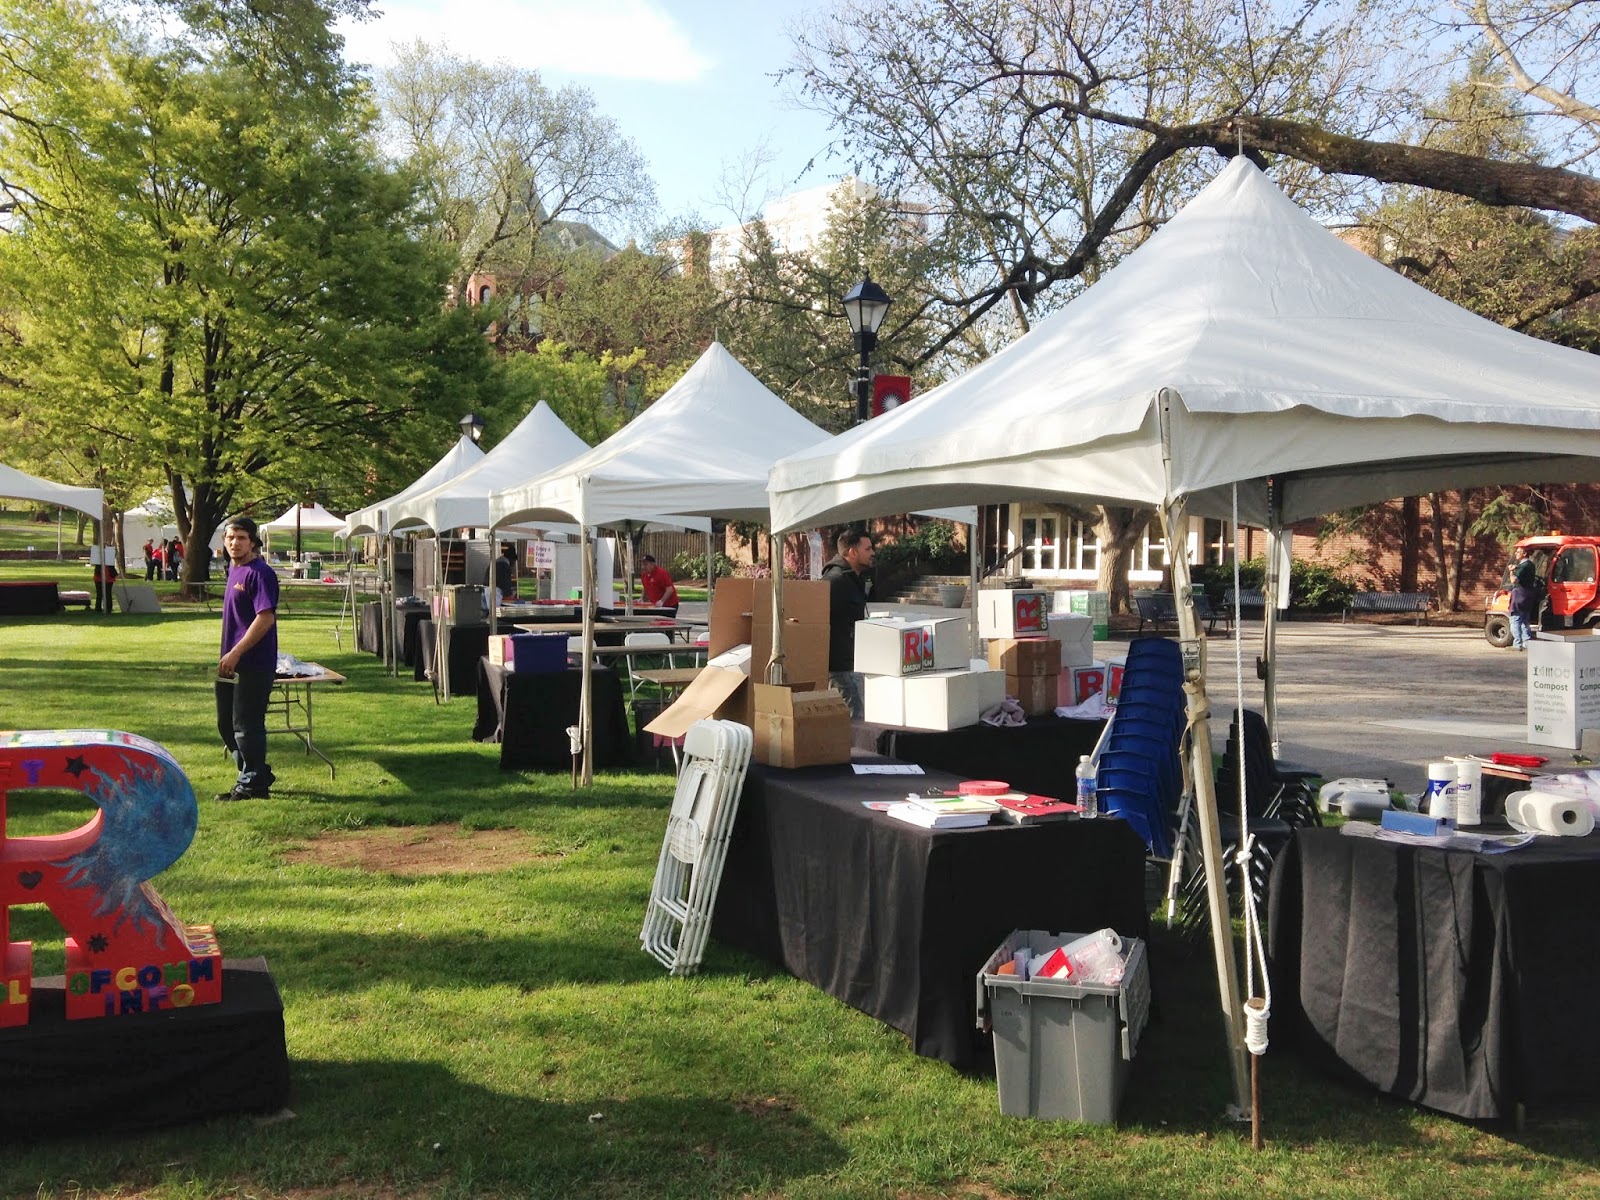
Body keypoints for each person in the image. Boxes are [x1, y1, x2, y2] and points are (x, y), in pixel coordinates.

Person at [215, 516, 279, 800]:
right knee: (225, 724)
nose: (235, 542)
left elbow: (265, 618)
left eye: (241, 538)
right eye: (230, 537)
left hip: (252, 662)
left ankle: (252, 785)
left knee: (246, 724)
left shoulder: (259, 573)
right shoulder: (234, 570)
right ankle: (255, 773)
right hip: (230, 661)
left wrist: (237, 652)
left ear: (252, 541)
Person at [822, 529, 874, 719]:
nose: (873, 553)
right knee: (855, 720)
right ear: (852, 552)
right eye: (867, 549)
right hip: (839, 667)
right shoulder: (835, 580)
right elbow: (818, 622)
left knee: (858, 719)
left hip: (851, 664)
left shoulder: (851, 579)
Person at [1510, 552, 1539, 651]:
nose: (1516, 554)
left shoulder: (1523, 566)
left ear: (1525, 553)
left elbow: (1514, 580)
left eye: (1518, 552)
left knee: (1515, 619)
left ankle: (1517, 644)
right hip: (1529, 595)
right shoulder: (1531, 565)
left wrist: (1511, 571)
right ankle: (1527, 642)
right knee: (1525, 620)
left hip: (1519, 594)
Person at [492, 541, 518, 607]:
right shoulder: (504, 565)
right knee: (496, 613)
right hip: (496, 592)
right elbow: (505, 582)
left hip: (487, 589)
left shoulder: (496, 562)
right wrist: (509, 593)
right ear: (511, 559)